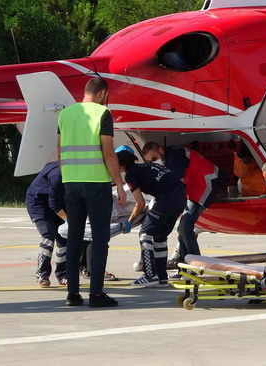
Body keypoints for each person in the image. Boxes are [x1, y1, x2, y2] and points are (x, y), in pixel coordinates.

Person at [57, 76, 126, 308]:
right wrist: (118, 182)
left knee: (74, 238)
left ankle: (72, 294)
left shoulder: (64, 114)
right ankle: (96, 294)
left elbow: (59, 152)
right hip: (96, 184)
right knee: (99, 239)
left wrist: (66, 179)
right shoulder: (102, 114)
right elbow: (108, 152)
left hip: (71, 182)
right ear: (103, 94)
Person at [142, 142, 227, 273]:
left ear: (160, 150)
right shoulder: (169, 156)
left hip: (204, 183)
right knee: (183, 228)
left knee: (185, 227)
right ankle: (182, 266)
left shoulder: (174, 156)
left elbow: (178, 184)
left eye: (154, 158)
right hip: (195, 187)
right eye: (150, 161)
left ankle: (198, 266)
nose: (154, 162)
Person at [116, 145, 187, 286]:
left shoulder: (131, 175)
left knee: (145, 234)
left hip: (167, 198)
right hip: (181, 198)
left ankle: (150, 275)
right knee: (160, 237)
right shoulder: (146, 166)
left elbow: (140, 203)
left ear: (122, 165)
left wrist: (129, 221)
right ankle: (162, 277)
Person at [25, 161, 67, 287]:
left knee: (64, 237)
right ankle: (42, 274)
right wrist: (68, 219)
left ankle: (63, 274)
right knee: (49, 234)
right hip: (39, 203)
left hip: (59, 202)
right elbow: (53, 203)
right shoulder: (57, 174)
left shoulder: (75, 172)